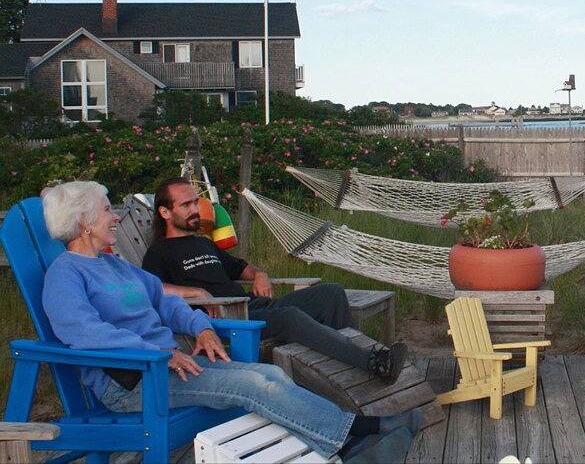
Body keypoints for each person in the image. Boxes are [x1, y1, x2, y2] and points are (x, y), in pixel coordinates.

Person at [40, 181, 421, 461]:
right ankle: (357, 436)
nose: (116, 216)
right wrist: (158, 352)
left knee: (268, 377)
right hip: (132, 381)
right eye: (108, 210)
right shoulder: (65, 275)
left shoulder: (114, 265)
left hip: (169, 365)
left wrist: (200, 326)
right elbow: (84, 333)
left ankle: (352, 435)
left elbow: (163, 301)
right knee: (258, 383)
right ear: (85, 221)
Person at [141, 177, 406, 384]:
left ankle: (349, 372)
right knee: (290, 316)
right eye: (186, 205)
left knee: (331, 293)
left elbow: (242, 267)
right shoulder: (158, 252)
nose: (195, 210)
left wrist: (260, 274)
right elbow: (151, 289)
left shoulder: (203, 244)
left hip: (255, 308)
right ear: (165, 212)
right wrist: (195, 292)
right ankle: (372, 363)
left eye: (195, 203)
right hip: (228, 322)